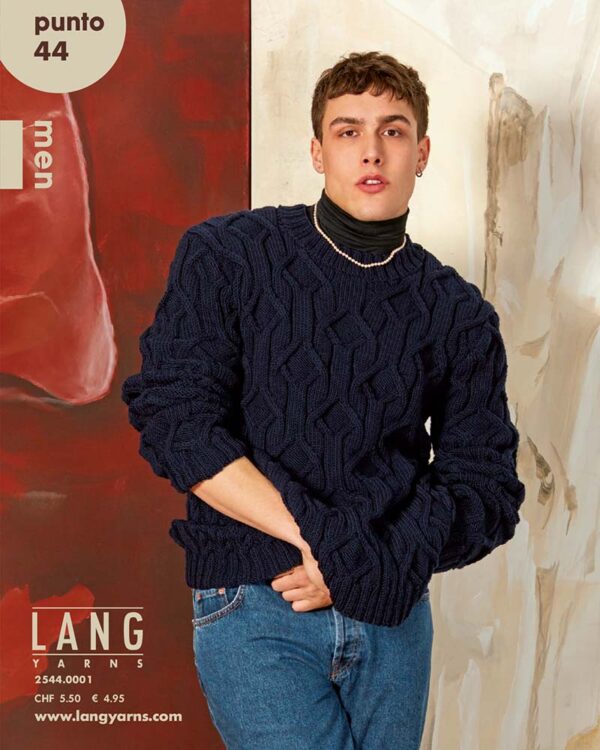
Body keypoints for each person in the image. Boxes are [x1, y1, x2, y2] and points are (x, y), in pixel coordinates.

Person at [121, 51, 526, 749]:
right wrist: (330, 547)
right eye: (348, 131)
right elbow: (177, 422)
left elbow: (486, 488)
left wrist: (372, 564)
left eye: (393, 131)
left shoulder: (457, 312)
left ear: (422, 153)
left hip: (392, 614)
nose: (372, 151)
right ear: (317, 151)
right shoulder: (228, 256)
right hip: (259, 600)